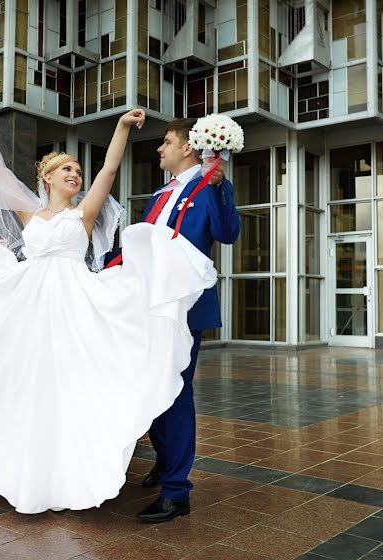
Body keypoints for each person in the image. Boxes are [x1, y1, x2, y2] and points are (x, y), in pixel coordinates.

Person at [0, 108, 218, 515]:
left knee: (68, 386)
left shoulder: (83, 214)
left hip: (72, 305)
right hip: (28, 303)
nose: (76, 175)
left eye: (78, 171)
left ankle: (71, 467)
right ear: (47, 177)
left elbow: (110, 167)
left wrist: (121, 127)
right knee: (22, 383)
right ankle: (22, 465)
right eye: (67, 168)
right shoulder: (29, 213)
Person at [130, 118, 240, 523]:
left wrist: (219, 186)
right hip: (148, 306)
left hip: (185, 308)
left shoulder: (207, 185)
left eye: (166, 142)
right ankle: (165, 458)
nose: (160, 149)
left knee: (175, 393)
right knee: (149, 387)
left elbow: (228, 233)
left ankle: (177, 492)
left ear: (189, 148)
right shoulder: (160, 195)